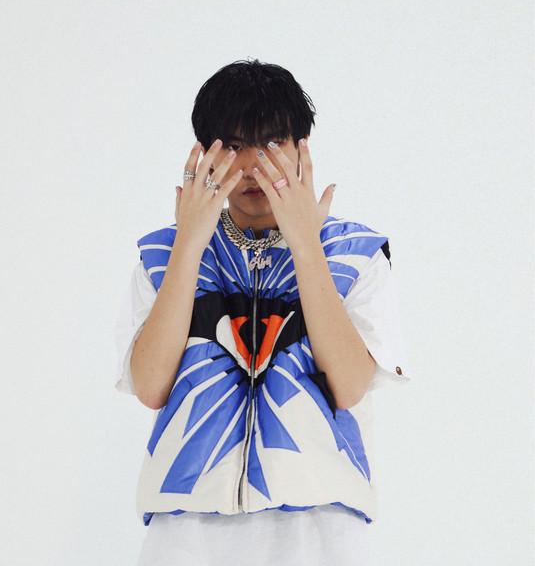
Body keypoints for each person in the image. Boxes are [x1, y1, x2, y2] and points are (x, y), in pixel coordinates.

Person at [114, 58, 412, 566]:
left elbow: (348, 386)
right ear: (204, 153)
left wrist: (306, 245)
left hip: (320, 531)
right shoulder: (162, 255)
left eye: (271, 142)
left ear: (301, 148)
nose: (252, 165)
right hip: (186, 534)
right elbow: (150, 386)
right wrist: (189, 245)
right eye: (233, 145)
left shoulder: (354, 254)